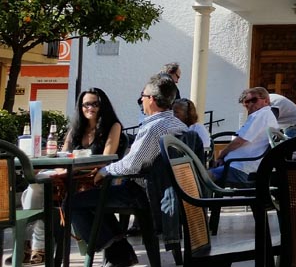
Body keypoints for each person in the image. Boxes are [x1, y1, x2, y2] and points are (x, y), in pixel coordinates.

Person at [67, 76, 188, 267]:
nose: (141, 100)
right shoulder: (180, 126)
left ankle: (117, 250)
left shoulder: (153, 128)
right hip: (170, 191)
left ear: (152, 99)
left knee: (71, 203)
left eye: (142, 96)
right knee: (94, 200)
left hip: (144, 193)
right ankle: (120, 251)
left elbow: (132, 165)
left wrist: (105, 171)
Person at [13, 89, 126, 266]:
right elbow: (64, 154)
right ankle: (35, 245)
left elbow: (106, 159)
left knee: (37, 188)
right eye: (86, 104)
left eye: (95, 104)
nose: (90, 108)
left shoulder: (113, 126)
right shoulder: (76, 128)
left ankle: (34, 246)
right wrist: (59, 169)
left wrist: (67, 171)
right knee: (35, 186)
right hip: (69, 176)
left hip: (92, 178)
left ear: (102, 106)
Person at [210, 87, 278, 184]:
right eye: (246, 103)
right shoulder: (265, 115)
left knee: (200, 177)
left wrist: (221, 155)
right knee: (202, 175)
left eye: (253, 100)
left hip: (240, 167)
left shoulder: (261, 115)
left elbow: (240, 141)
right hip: (238, 165)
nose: (249, 104)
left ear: (266, 101)